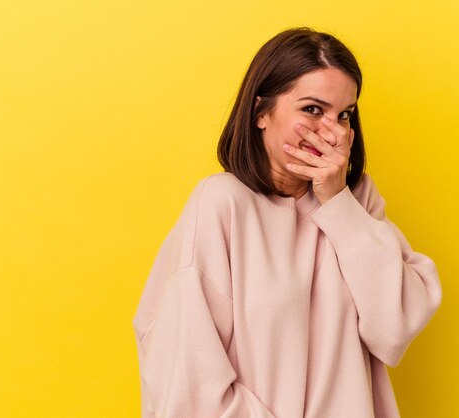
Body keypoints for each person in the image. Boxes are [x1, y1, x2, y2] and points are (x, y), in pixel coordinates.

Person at [132, 27, 442, 418]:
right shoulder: (222, 204)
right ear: (262, 112)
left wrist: (336, 202)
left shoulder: (358, 202)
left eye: (343, 115)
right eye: (312, 109)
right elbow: (188, 379)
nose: (331, 131)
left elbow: (394, 328)